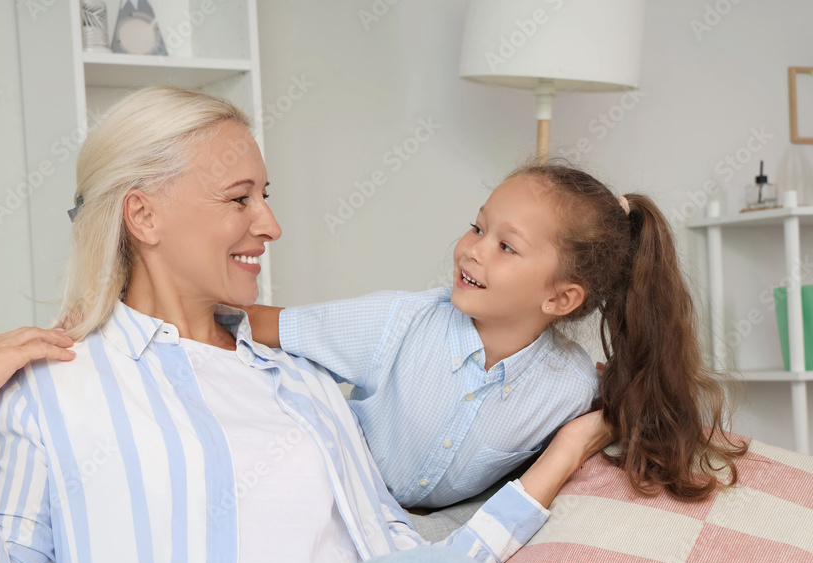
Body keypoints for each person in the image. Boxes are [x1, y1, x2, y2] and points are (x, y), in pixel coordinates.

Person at [0, 85, 612, 563]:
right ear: (143, 213)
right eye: (239, 198)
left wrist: (560, 458)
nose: (271, 223)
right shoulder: (54, 385)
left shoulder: (302, 384)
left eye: (266, 196)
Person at [243, 161, 746, 508]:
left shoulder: (569, 387)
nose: (473, 250)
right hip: (320, 495)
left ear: (561, 299)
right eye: (477, 227)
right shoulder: (398, 322)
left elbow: (644, 407)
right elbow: (261, 323)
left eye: (507, 246)